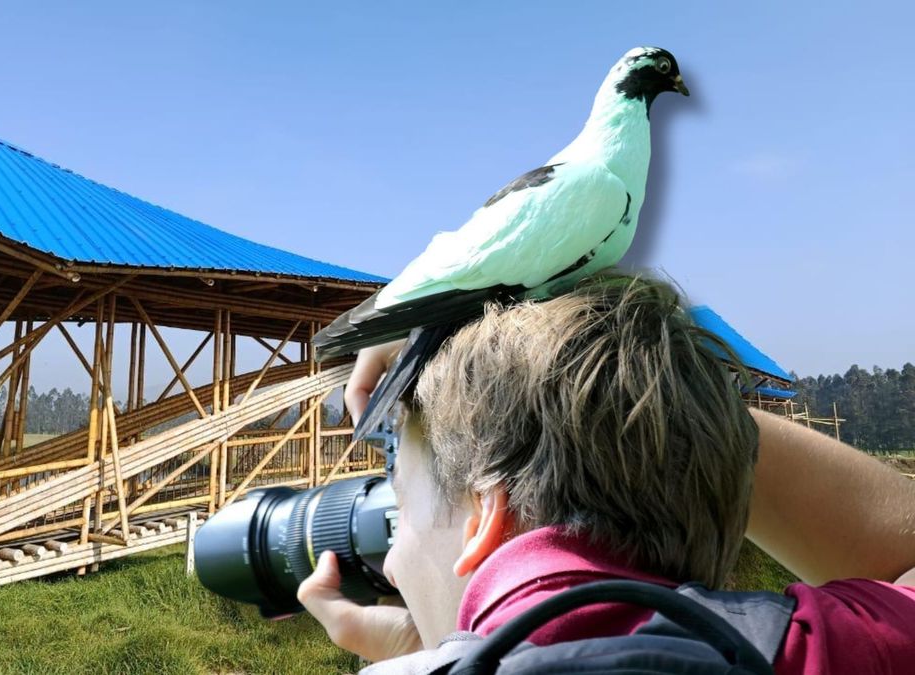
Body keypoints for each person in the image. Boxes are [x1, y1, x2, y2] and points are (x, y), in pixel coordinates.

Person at [297, 273, 915, 674]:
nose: (392, 561)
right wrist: (671, 413)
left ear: (486, 516)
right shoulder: (804, 653)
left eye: (399, 509)